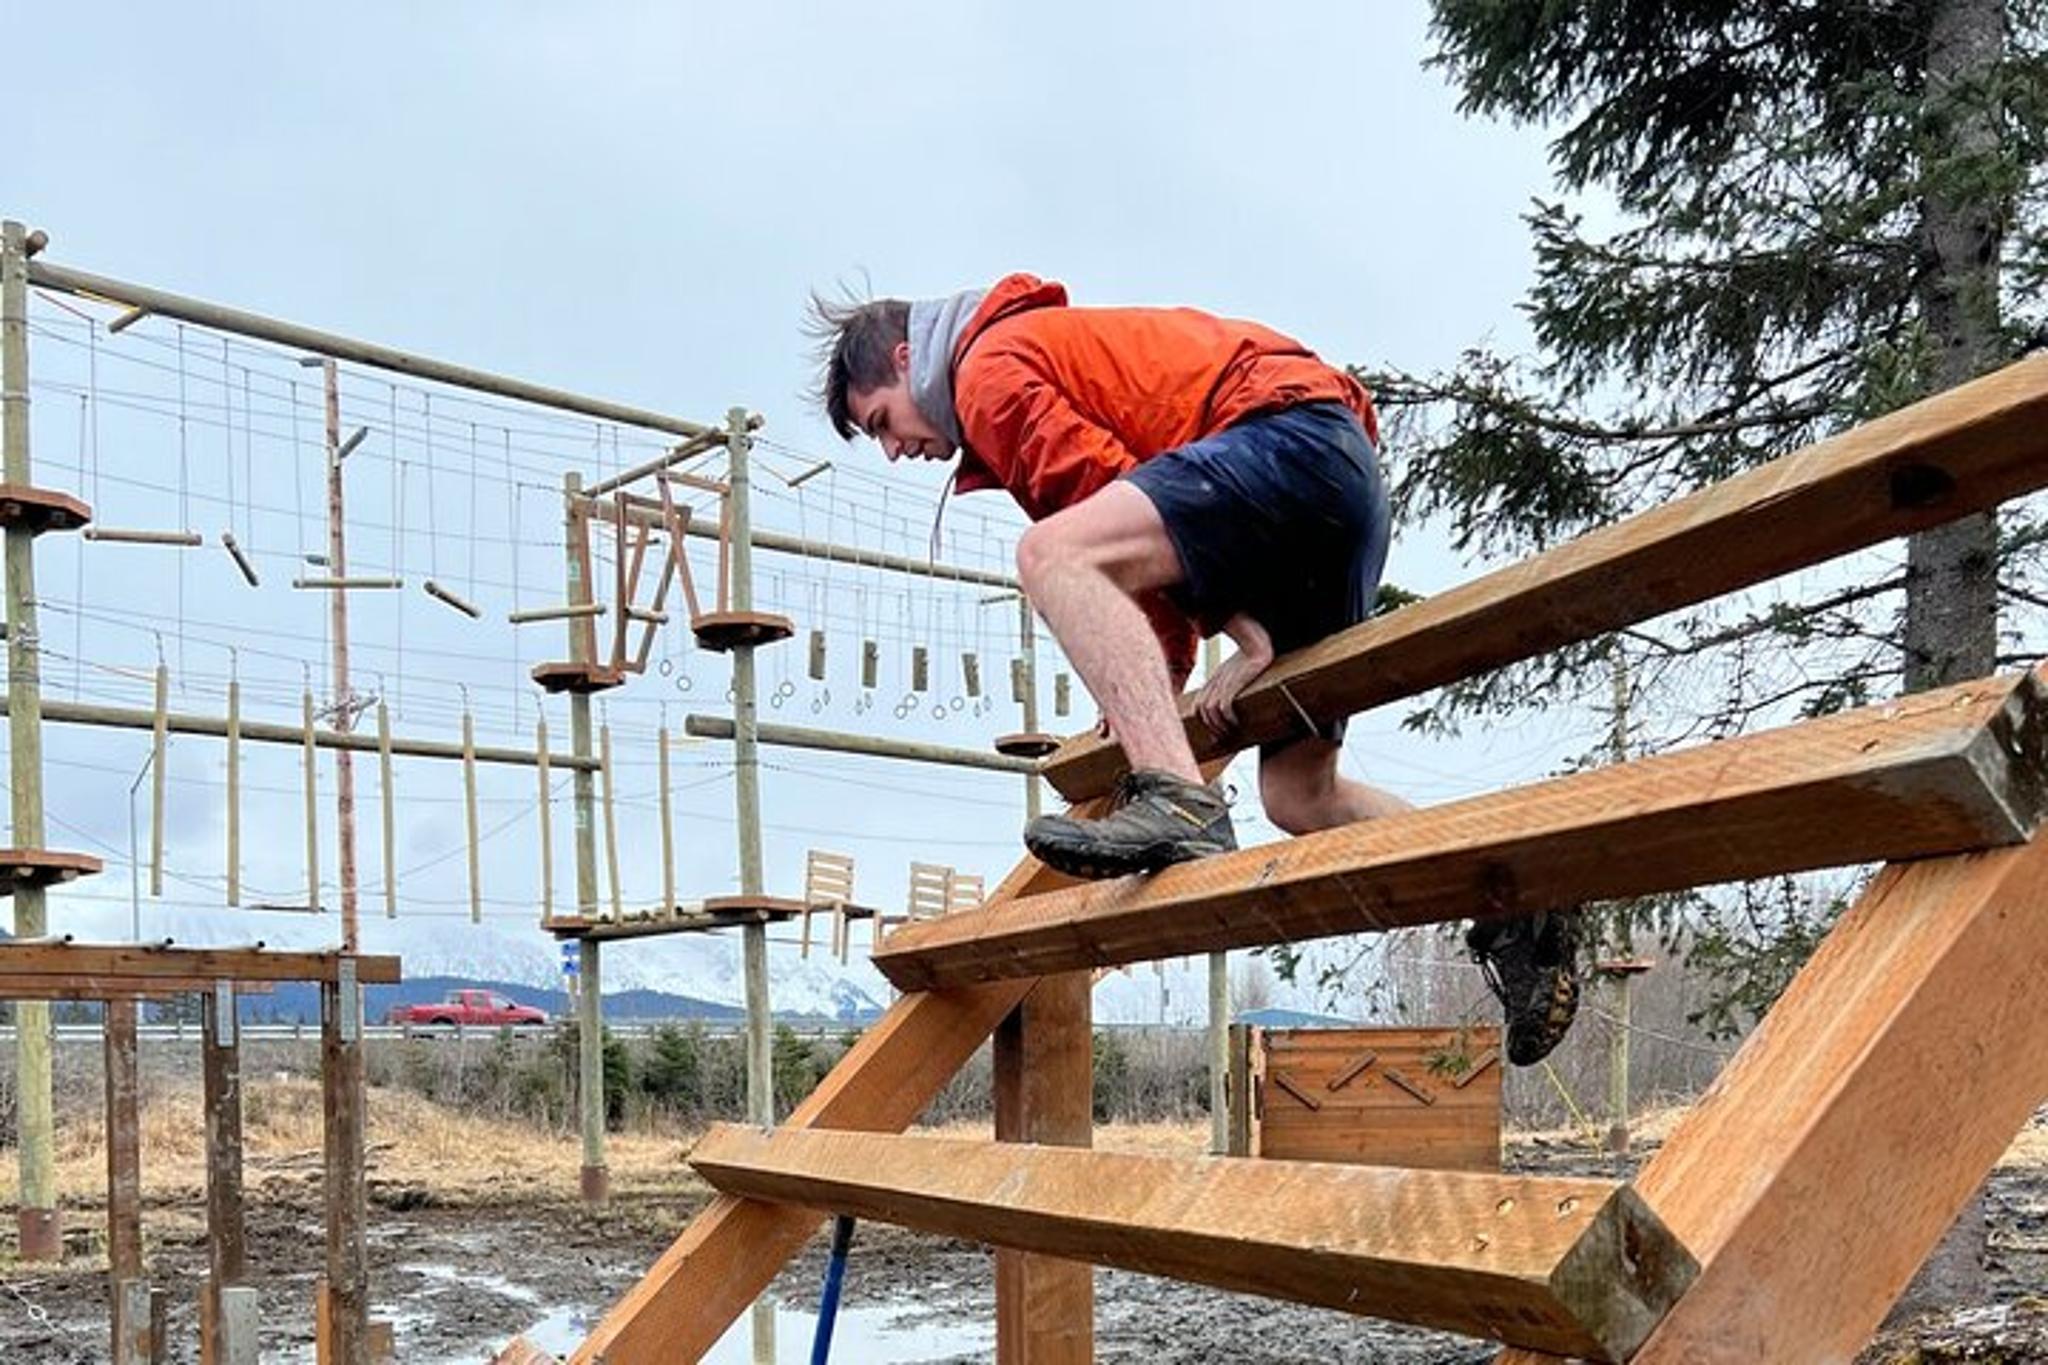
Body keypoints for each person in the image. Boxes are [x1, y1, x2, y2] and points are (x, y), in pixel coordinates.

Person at [811, 273, 1580, 1064]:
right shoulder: (1008, 362)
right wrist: (1169, 670)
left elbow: (1099, 494)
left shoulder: (986, 371)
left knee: (1049, 555)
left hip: (1289, 442)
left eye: (883, 421)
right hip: (1331, 491)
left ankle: (1179, 801)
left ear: (906, 361)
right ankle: (1508, 887)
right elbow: (1144, 533)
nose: (896, 450)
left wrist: (1210, 642)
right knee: (1300, 795)